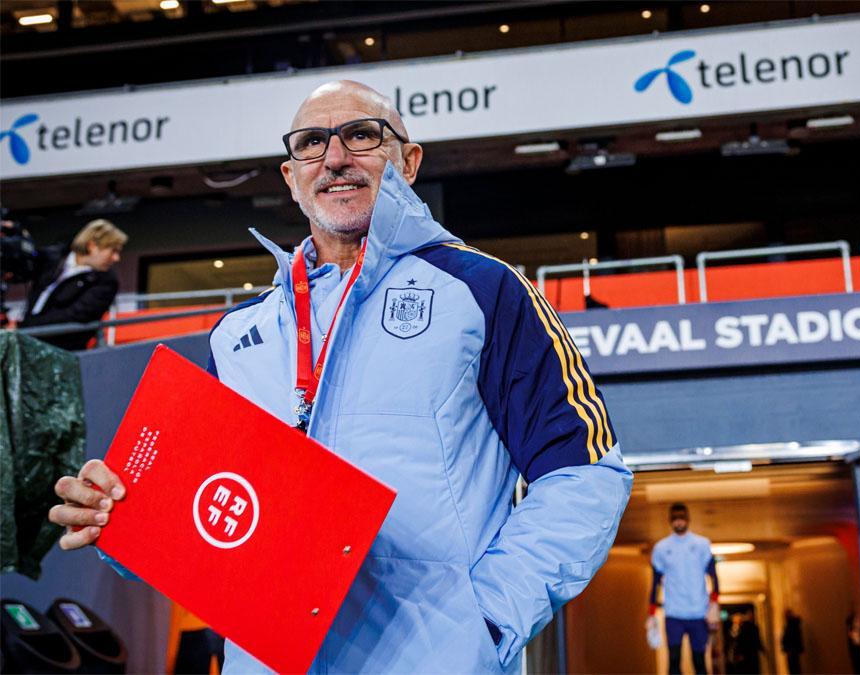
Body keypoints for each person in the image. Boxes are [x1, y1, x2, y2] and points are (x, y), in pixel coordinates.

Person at [47, 80, 633, 673]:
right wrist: (120, 514)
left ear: (409, 159)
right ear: (290, 176)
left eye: (361, 134)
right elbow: (212, 512)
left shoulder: (483, 291)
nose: (334, 158)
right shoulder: (238, 335)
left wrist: (487, 623)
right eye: (311, 143)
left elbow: (586, 472)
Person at [20, 219, 126, 350]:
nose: (116, 258)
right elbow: (20, 272)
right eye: (113, 251)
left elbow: (75, 315)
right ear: (92, 246)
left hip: (60, 350)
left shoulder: (107, 281)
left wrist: (26, 327)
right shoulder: (54, 257)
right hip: (27, 338)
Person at [649, 502, 720, 675]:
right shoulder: (661, 548)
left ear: (688, 519)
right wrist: (651, 613)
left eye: (681, 518)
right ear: (670, 521)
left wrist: (714, 604)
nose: (678, 522)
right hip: (673, 613)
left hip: (698, 612)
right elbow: (655, 581)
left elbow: (713, 575)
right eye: (675, 519)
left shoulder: (702, 544)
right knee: (673, 660)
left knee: (699, 661)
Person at [780, 608, 804, 674]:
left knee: (794, 668)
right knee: (794, 668)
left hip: (792, 649)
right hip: (792, 649)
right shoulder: (791, 624)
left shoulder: (791, 625)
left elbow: (790, 637)